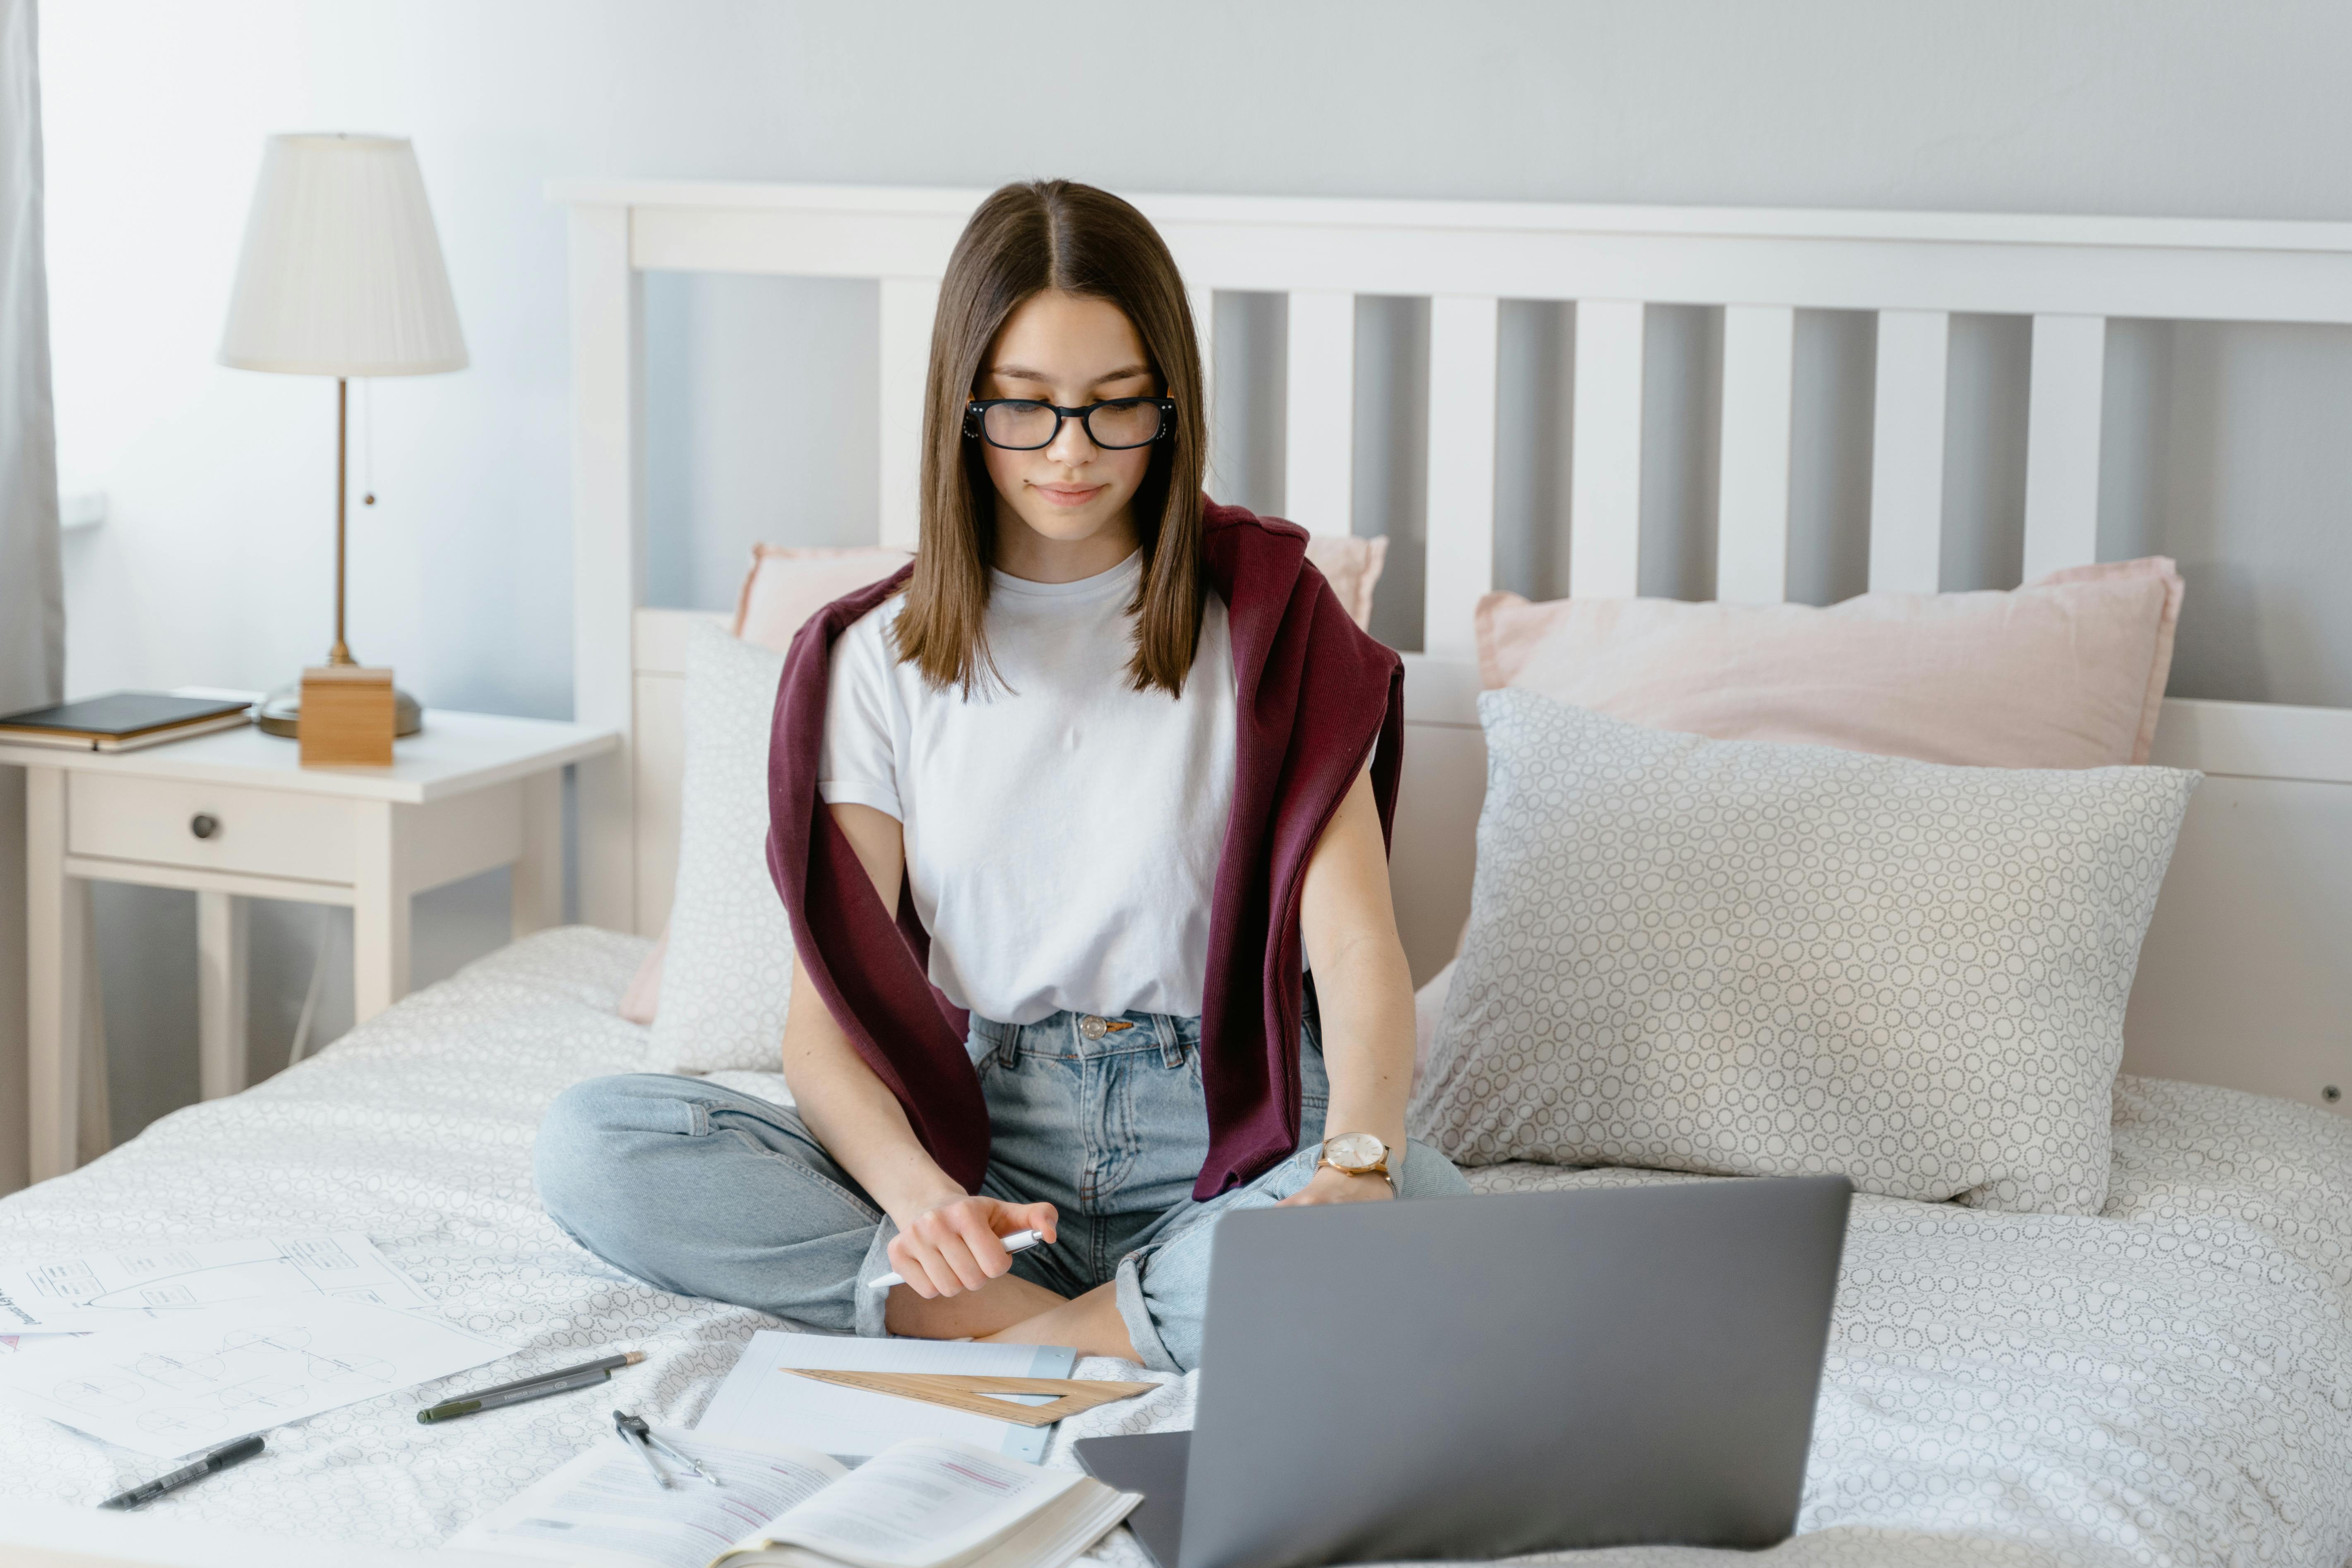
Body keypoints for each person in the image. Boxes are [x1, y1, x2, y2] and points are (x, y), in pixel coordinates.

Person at [536, 179, 1468, 1374]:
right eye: (1025, 410)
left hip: (1221, 1137)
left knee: (1430, 1196)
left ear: (1170, 406)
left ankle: (1027, 1342)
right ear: (962, 408)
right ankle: (1102, 1324)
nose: (1072, 454)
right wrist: (923, 1206)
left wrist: (1357, 1165)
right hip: (984, 1141)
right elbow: (820, 1037)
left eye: (1116, 408)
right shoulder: (869, 659)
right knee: (596, 1141)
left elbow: (1352, 951)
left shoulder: (1274, 622)